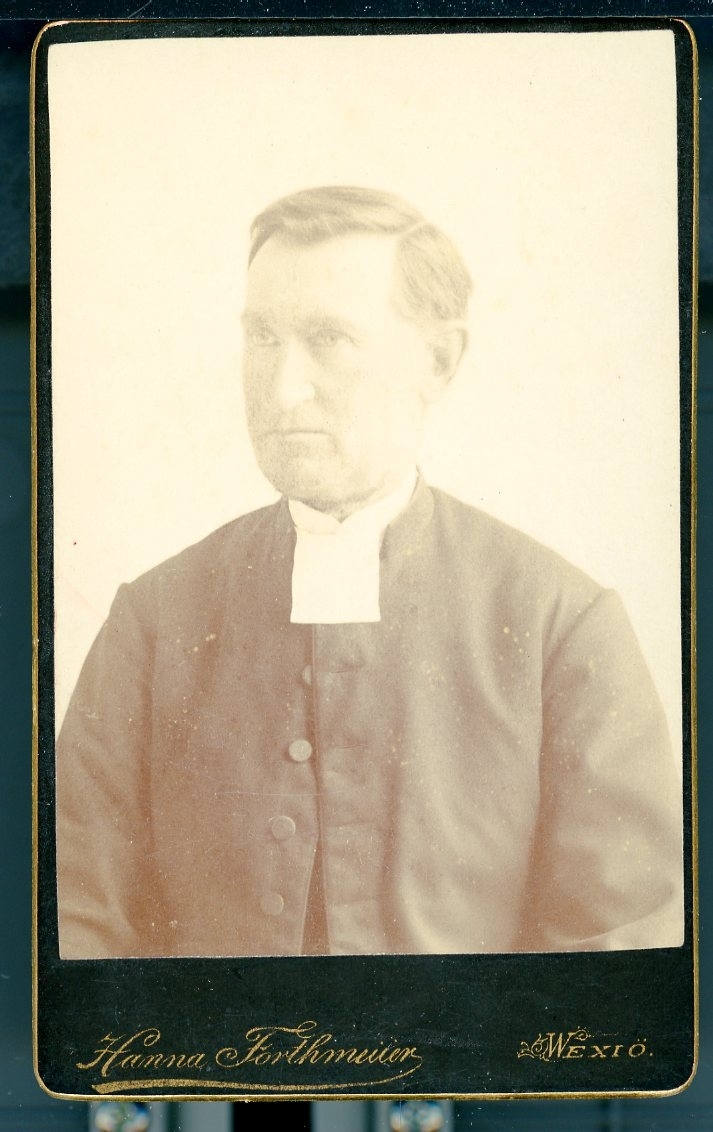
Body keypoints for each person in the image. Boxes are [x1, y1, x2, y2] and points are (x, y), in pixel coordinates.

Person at [56, 185, 684, 959]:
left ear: (438, 361)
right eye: (262, 337)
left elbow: (618, 952)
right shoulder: (154, 620)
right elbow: (77, 925)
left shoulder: (560, 622)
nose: (282, 388)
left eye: (329, 338)